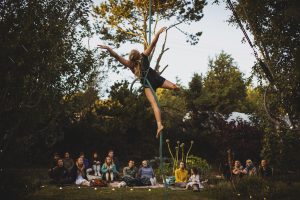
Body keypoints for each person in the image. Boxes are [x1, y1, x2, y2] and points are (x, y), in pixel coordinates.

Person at [98, 26, 179, 138]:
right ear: (138, 55)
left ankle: (159, 125)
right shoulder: (144, 57)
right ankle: (175, 87)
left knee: (154, 104)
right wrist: (158, 34)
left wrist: (108, 48)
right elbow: (153, 44)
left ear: (131, 58)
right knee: (174, 87)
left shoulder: (130, 64)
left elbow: (116, 56)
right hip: (156, 79)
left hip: (147, 85)